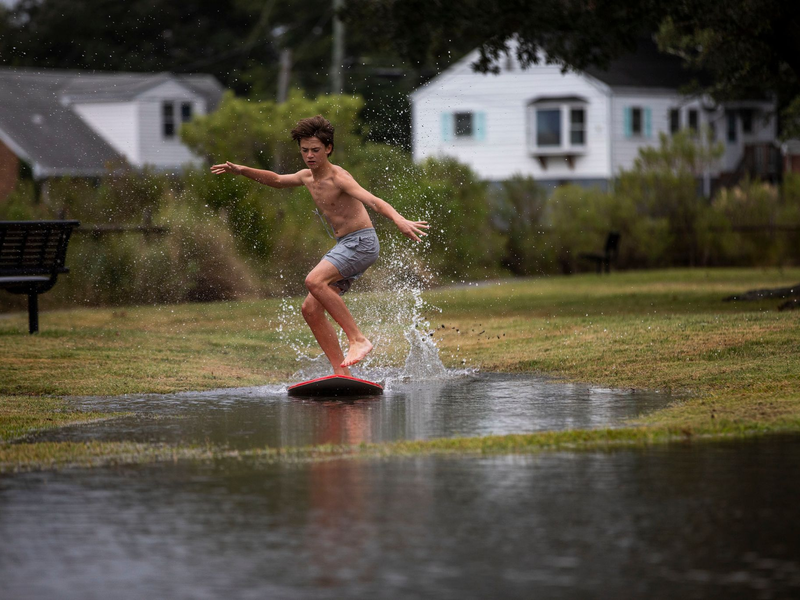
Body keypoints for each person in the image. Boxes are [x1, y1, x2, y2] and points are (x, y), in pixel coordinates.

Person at [211, 115, 429, 376]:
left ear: (328, 149)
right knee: (310, 309)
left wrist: (398, 219)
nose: (310, 156)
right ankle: (342, 373)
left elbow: (373, 200)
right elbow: (277, 180)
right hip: (346, 244)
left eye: (315, 150)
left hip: (361, 242)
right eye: (305, 151)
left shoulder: (339, 178)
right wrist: (242, 170)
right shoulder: (306, 177)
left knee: (314, 281)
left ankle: (358, 339)